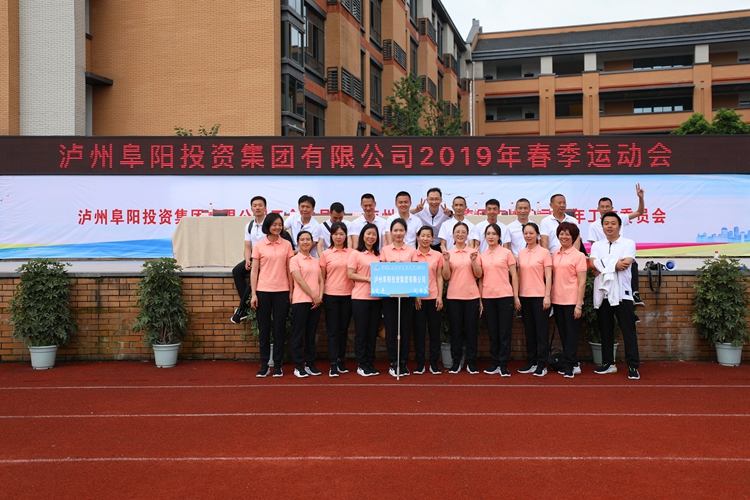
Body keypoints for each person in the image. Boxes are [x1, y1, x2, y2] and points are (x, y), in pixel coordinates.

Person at [589, 212, 641, 380]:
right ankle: (608, 363)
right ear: (602, 226)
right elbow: (592, 264)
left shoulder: (628, 243)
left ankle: (632, 366)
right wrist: (614, 263)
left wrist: (603, 264)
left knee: (628, 331)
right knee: (605, 330)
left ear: (619, 226)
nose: (609, 226)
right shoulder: (597, 245)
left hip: (622, 294)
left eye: (613, 223)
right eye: (606, 223)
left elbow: (625, 264)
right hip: (603, 293)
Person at [250, 213, 294, 378]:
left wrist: (291, 291)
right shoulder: (259, 245)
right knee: (264, 329)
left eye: (280, 224)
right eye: (274, 224)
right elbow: (254, 271)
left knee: (279, 329)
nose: (277, 227)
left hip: (282, 291)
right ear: (267, 225)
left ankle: (278, 365)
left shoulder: (287, 245)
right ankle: (264, 365)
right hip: (263, 291)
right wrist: (254, 294)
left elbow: (290, 270)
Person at [587, 184, 645, 306]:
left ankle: (634, 292)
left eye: (607, 206)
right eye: (602, 207)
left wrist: (640, 198)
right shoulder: (594, 226)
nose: (605, 209)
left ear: (612, 208)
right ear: (598, 209)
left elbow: (639, 212)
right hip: (604, 263)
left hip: (620, 258)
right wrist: (611, 264)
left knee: (632, 264)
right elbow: (594, 252)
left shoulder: (620, 218)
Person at [479, 223, 519, 377]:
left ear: (499, 236)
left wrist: (515, 296)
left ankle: (503, 365)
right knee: (493, 332)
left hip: (505, 296)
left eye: (494, 234)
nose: (491, 236)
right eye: (488, 234)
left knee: (504, 332)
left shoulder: (507, 253)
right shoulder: (482, 255)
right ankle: (495, 362)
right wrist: (481, 299)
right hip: (488, 297)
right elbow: (480, 278)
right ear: (485, 237)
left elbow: (514, 275)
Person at [442, 222, 482, 374]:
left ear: (467, 235)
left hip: (471, 297)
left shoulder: (473, 252)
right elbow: (446, 276)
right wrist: (446, 261)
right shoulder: (448, 253)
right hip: (454, 296)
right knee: (456, 331)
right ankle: (456, 362)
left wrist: (473, 260)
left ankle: (471, 362)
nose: (460, 234)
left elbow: (479, 274)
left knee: (471, 331)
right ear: (453, 235)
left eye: (463, 232)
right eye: (457, 232)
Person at [381, 218, 418, 376]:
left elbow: (416, 273)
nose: (398, 233)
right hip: (389, 296)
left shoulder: (412, 251)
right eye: (395, 230)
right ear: (391, 232)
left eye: (401, 230)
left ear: (406, 232)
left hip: (407, 295)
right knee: (391, 329)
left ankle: (403, 362)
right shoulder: (385, 250)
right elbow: (381, 272)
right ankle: (393, 362)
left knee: (405, 329)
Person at [551, 222, 587, 378]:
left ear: (573, 237)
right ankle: (572, 362)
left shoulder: (578, 256)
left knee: (572, 334)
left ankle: (570, 365)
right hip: (557, 300)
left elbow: (582, 282)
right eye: (561, 233)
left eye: (567, 234)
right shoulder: (555, 253)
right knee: (564, 334)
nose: (564, 237)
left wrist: (579, 305)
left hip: (572, 301)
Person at [516, 222, 552, 377]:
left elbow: (549, 276)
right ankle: (532, 361)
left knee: (541, 332)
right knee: (529, 331)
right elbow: (518, 276)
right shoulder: (521, 253)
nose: (528, 236)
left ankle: (542, 364)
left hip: (540, 296)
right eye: (526, 233)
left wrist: (547, 296)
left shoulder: (544, 252)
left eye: (531, 233)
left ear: (537, 234)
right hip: (524, 297)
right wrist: (517, 296)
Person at [347, 223, 383, 377]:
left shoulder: (379, 255)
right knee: (361, 332)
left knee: (372, 332)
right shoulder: (356, 254)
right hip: (360, 298)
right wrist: (368, 279)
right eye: (368, 233)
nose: (371, 237)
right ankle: (361, 364)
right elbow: (350, 274)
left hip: (377, 298)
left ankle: (370, 362)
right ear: (363, 236)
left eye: (374, 234)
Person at [319, 221, 353, 377]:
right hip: (331, 295)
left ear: (346, 236)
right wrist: (320, 295)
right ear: (331, 236)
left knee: (343, 330)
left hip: (348, 295)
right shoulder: (326, 254)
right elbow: (322, 277)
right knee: (332, 330)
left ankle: (340, 359)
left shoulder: (352, 253)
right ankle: (333, 363)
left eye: (341, 234)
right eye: (335, 234)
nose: (338, 237)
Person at [289, 231, 324, 378]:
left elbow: (321, 280)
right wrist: (314, 296)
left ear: (312, 242)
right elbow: (299, 280)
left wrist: (319, 297)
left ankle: (310, 364)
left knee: (311, 334)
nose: (305, 242)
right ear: (298, 242)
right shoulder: (294, 260)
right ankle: (298, 365)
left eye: (308, 239)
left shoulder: (316, 260)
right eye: (302, 239)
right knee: (298, 334)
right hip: (301, 301)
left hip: (316, 303)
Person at [230, 195, 267, 324]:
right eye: (255, 205)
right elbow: (247, 246)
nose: (257, 208)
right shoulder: (249, 225)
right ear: (251, 208)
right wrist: (247, 260)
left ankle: (241, 310)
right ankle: (245, 306)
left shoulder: (269, 224)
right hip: (253, 257)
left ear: (265, 207)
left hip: (266, 259)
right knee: (237, 271)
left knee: (253, 277)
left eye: (260, 205)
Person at [413, 226, 444, 375]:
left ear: (432, 238)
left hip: (433, 298)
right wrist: (416, 295)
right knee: (419, 332)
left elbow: (439, 276)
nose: (425, 239)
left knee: (434, 332)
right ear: (418, 237)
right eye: (423, 236)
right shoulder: (412, 255)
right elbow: (412, 277)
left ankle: (433, 363)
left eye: (428, 236)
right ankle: (420, 363)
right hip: (418, 299)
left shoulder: (437, 255)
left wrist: (439, 296)